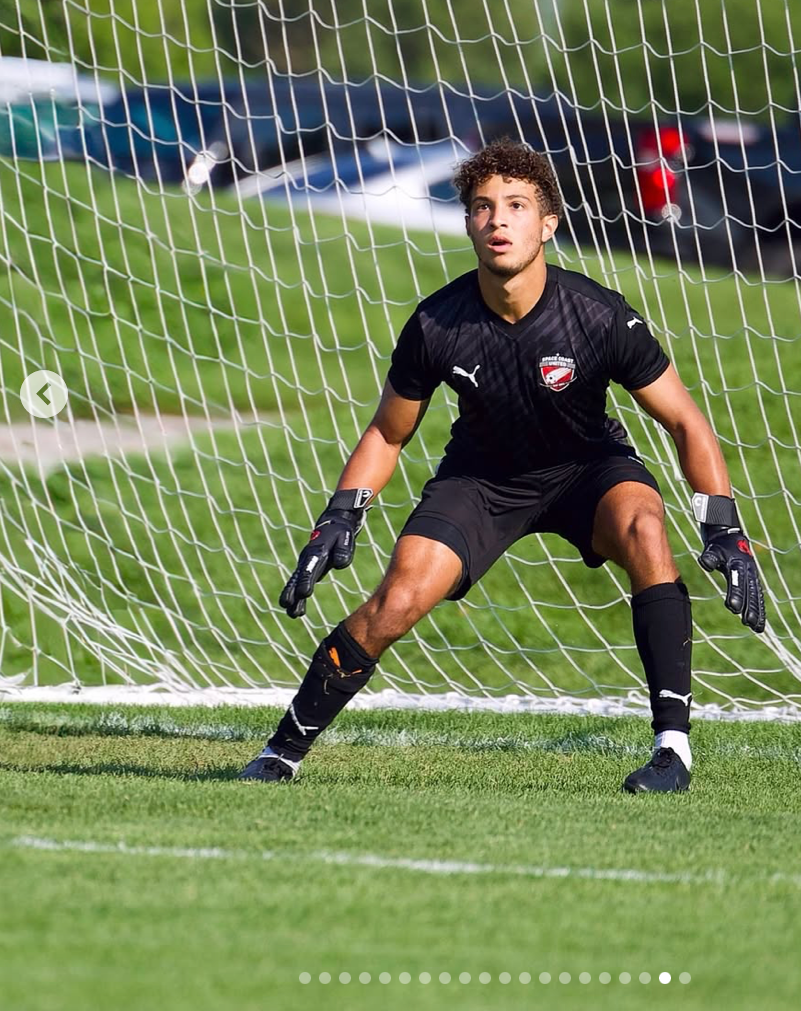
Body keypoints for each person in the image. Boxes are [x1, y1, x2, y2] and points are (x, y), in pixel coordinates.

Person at [240, 138, 766, 792]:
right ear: (468, 223)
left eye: (517, 205)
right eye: (483, 206)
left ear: (547, 224)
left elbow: (686, 420)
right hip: (481, 479)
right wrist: (340, 516)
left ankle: (672, 753)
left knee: (645, 528)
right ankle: (281, 752)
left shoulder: (598, 315)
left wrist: (723, 526)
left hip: (587, 468)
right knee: (398, 597)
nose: (498, 220)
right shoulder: (437, 323)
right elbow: (387, 432)